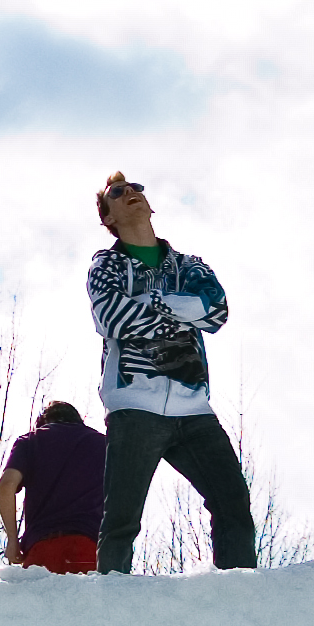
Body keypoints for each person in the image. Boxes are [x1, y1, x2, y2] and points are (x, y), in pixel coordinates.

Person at [87, 172, 256, 575]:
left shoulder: (190, 264)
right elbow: (113, 318)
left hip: (195, 408)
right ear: (107, 217)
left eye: (136, 189)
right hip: (134, 405)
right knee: (122, 519)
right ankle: (110, 600)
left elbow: (216, 311)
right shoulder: (105, 264)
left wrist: (150, 301)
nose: (131, 194)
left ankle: (242, 594)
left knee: (233, 504)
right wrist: (182, 312)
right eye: (117, 192)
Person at [0, 401, 107, 573]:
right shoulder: (104, 445)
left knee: (37, 600)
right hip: (89, 548)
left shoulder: (30, 441)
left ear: (43, 422)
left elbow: (6, 485)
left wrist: (12, 539)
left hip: (41, 549)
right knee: (86, 600)